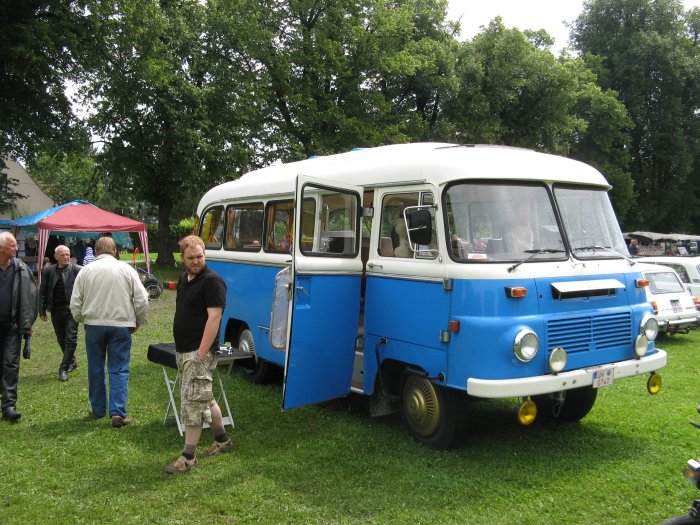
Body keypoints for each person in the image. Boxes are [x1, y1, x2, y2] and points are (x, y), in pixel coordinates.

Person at [165, 235, 230, 474]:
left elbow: (214, 319)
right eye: (191, 257)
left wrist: (201, 353)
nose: (196, 261)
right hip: (184, 350)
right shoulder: (185, 279)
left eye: (200, 256)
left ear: (205, 255)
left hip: (198, 352)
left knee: (192, 403)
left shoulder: (212, 281)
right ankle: (222, 439)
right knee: (204, 397)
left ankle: (188, 457)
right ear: (182, 258)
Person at [70, 236, 149, 427]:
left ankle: (98, 409)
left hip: (94, 326)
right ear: (114, 251)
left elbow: (75, 303)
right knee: (119, 368)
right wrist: (138, 320)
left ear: (96, 251)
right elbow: (142, 299)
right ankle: (118, 413)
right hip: (121, 325)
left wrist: (82, 318)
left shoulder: (85, 271)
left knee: (95, 368)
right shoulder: (126, 270)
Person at [0, 232, 38, 422]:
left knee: (11, 363)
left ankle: (9, 406)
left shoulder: (21, 268)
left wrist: (28, 322)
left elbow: (31, 297)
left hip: (12, 325)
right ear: (1, 248)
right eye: (12, 245)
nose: (16, 249)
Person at [40, 245, 81, 382]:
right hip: (56, 310)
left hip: (72, 310)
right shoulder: (48, 272)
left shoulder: (77, 270)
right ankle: (72, 361)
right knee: (61, 338)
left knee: (71, 338)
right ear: (56, 256)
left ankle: (63, 368)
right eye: (62, 255)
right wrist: (42, 309)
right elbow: (43, 291)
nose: (66, 257)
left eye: (68, 254)